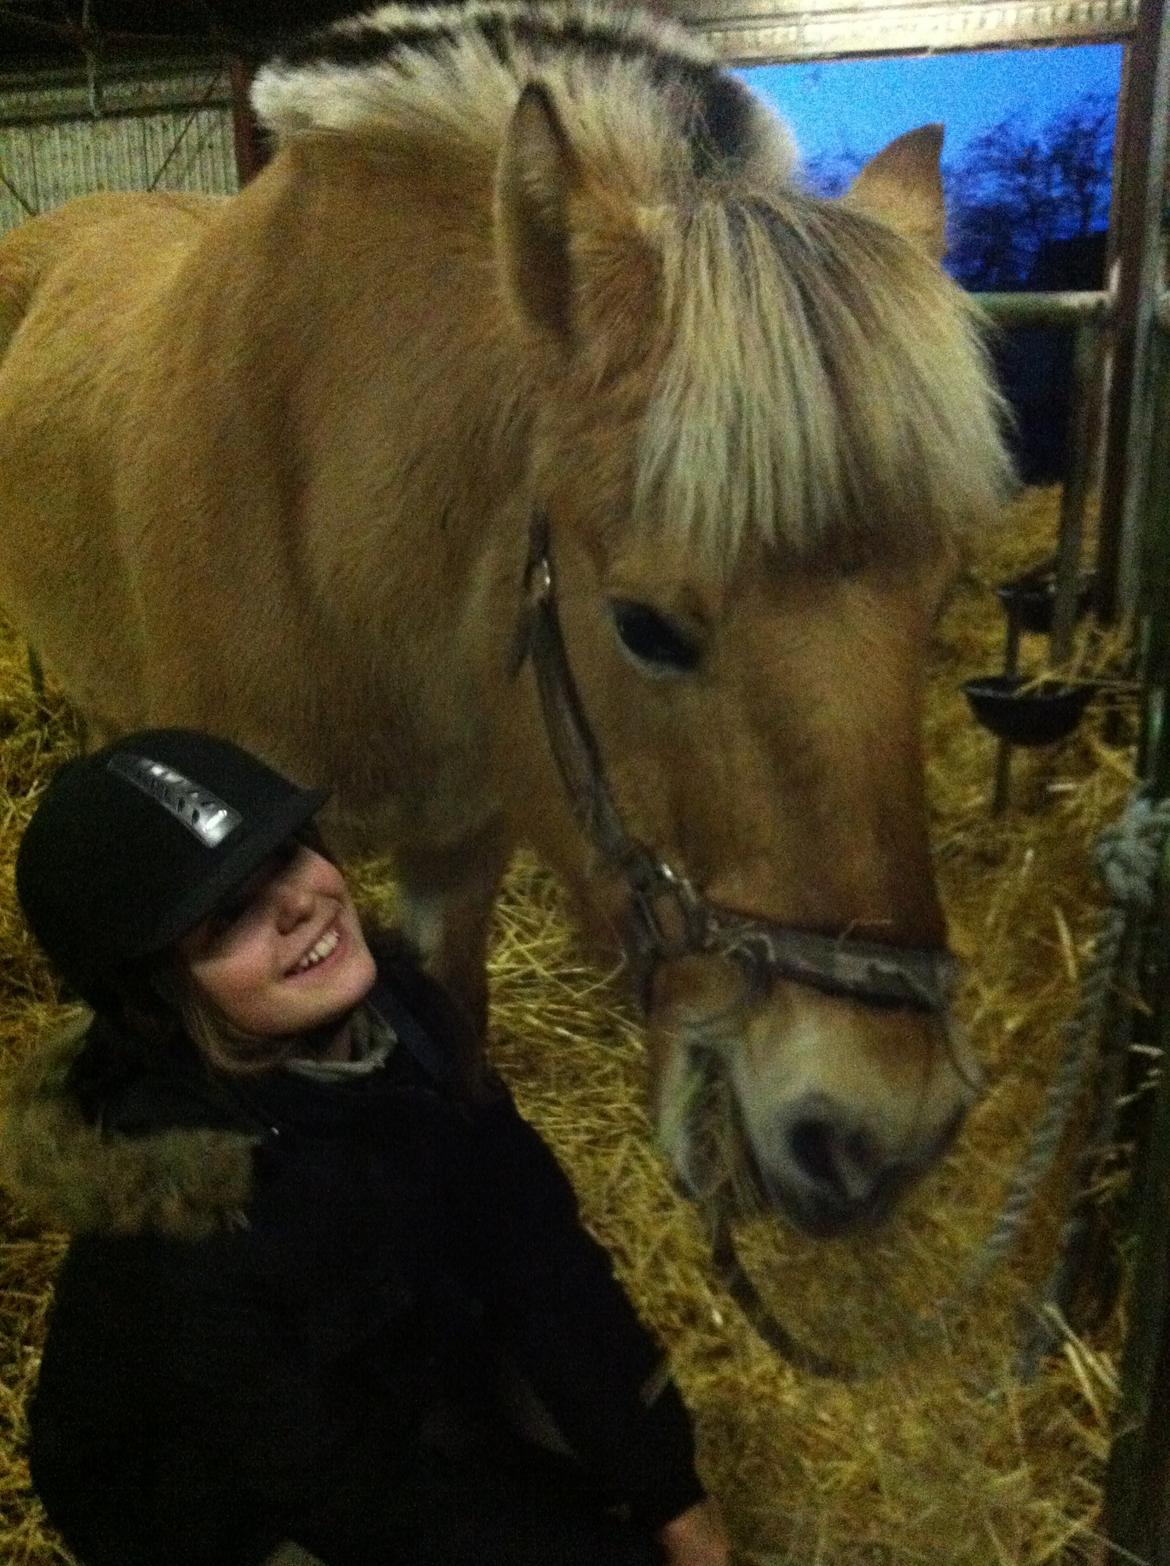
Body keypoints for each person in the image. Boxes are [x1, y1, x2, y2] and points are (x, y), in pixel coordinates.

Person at [1, 728, 731, 1566]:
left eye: (286, 853)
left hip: (377, 1343)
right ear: (159, 1003)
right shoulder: (188, 1228)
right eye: (228, 915)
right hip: (221, 1505)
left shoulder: (402, 1020)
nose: (298, 902)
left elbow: (536, 1251)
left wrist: (670, 1491)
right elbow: (359, 1500)